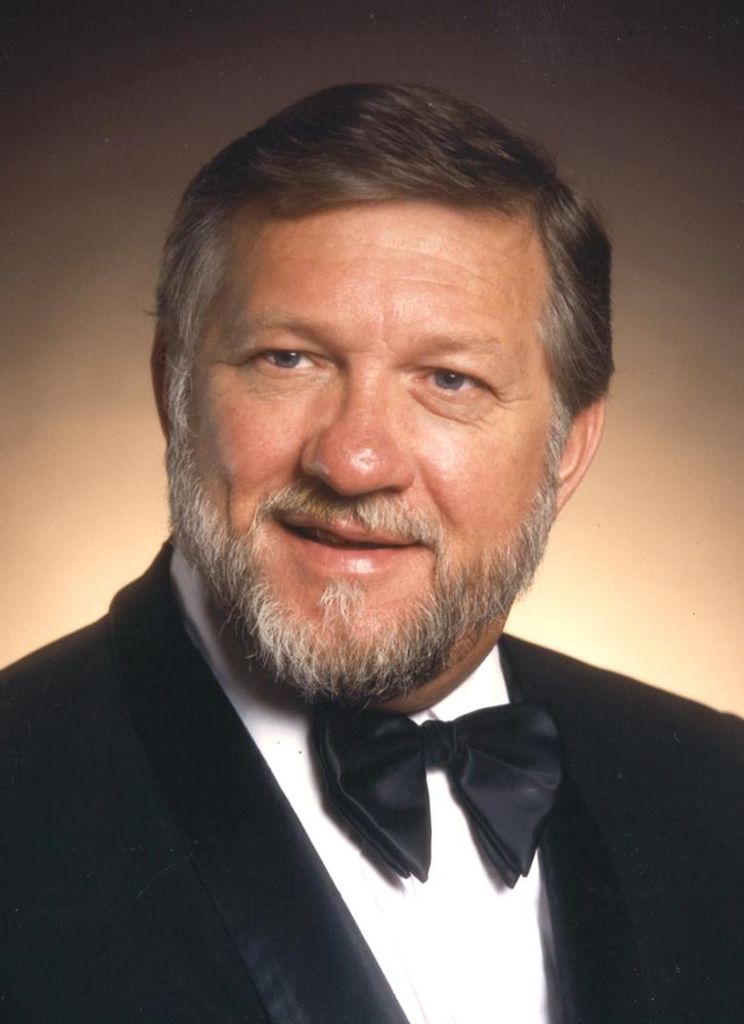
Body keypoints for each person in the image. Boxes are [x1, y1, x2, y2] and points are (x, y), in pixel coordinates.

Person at [1, 83, 742, 1024]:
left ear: (567, 449)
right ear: (173, 389)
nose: (355, 461)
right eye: (288, 359)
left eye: (449, 380)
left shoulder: (719, 790)